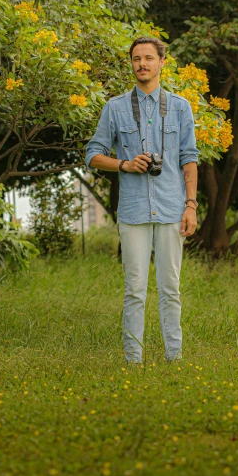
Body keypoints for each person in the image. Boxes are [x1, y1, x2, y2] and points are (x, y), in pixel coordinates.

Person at [85, 37, 199, 363]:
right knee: (134, 289)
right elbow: (93, 155)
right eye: (136, 59)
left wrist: (191, 206)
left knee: (170, 289)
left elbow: (189, 158)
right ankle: (133, 361)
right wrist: (124, 164)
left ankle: (173, 359)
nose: (142, 64)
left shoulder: (180, 107)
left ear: (162, 62)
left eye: (149, 58)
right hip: (133, 210)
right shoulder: (115, 107)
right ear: (131, 64)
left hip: (172, 208)